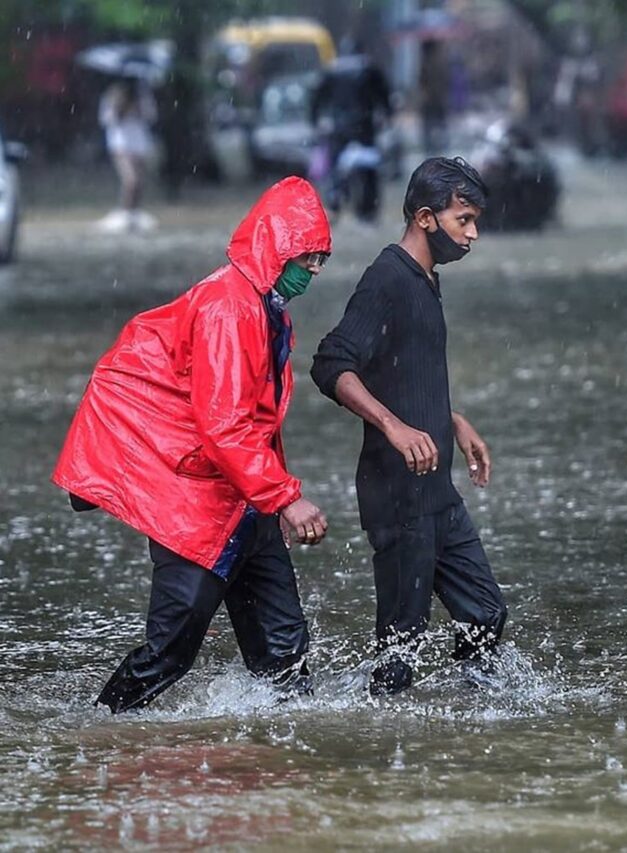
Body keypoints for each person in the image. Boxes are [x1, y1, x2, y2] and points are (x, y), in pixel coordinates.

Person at [52, 176, 332, 713]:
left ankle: (284, 766)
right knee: (170, 654)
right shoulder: (231, 309)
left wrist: (274, 500)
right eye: (309, 257)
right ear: (277, 250)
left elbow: (258, 421)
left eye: (321, 258)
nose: (316, 270)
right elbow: (225, 426)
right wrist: (286, 498)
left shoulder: (263, 308)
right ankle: (96, 729)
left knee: (285, 657)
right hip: (199, 508)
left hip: (246, 502)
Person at [311, 157, 508, 696]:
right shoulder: (387, 278)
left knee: (486, 613)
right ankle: (383, 754)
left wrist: (452, 418)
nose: (473, 234)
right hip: (397, 495)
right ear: (425, 217)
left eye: (475, 221)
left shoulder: (426, 279)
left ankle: (469, 720)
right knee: (401, 646)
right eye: (463, 220)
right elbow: (331, 364)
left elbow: (403, 369)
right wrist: (394, 428)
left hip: (436, 490)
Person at [309, 37, 391, 220]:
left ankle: (335, 202)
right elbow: (383, 96)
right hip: (364, 126)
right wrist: (387, 115)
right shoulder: (369, 69)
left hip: (339, 127)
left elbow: (316, 99)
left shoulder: (332, 70)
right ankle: (368, 209)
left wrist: (315, 121)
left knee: (336, 168)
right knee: (369, 167)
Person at [98, 76, 157, 231]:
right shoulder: (111, 95)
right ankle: (124, 212)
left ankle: (134, 213)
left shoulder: (143, 95)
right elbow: (106, 119)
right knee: (131, 180)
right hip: (120, 144)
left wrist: (137, 108)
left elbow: (151, 115)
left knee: (139, 183)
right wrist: (119, 108)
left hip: (139, 144)